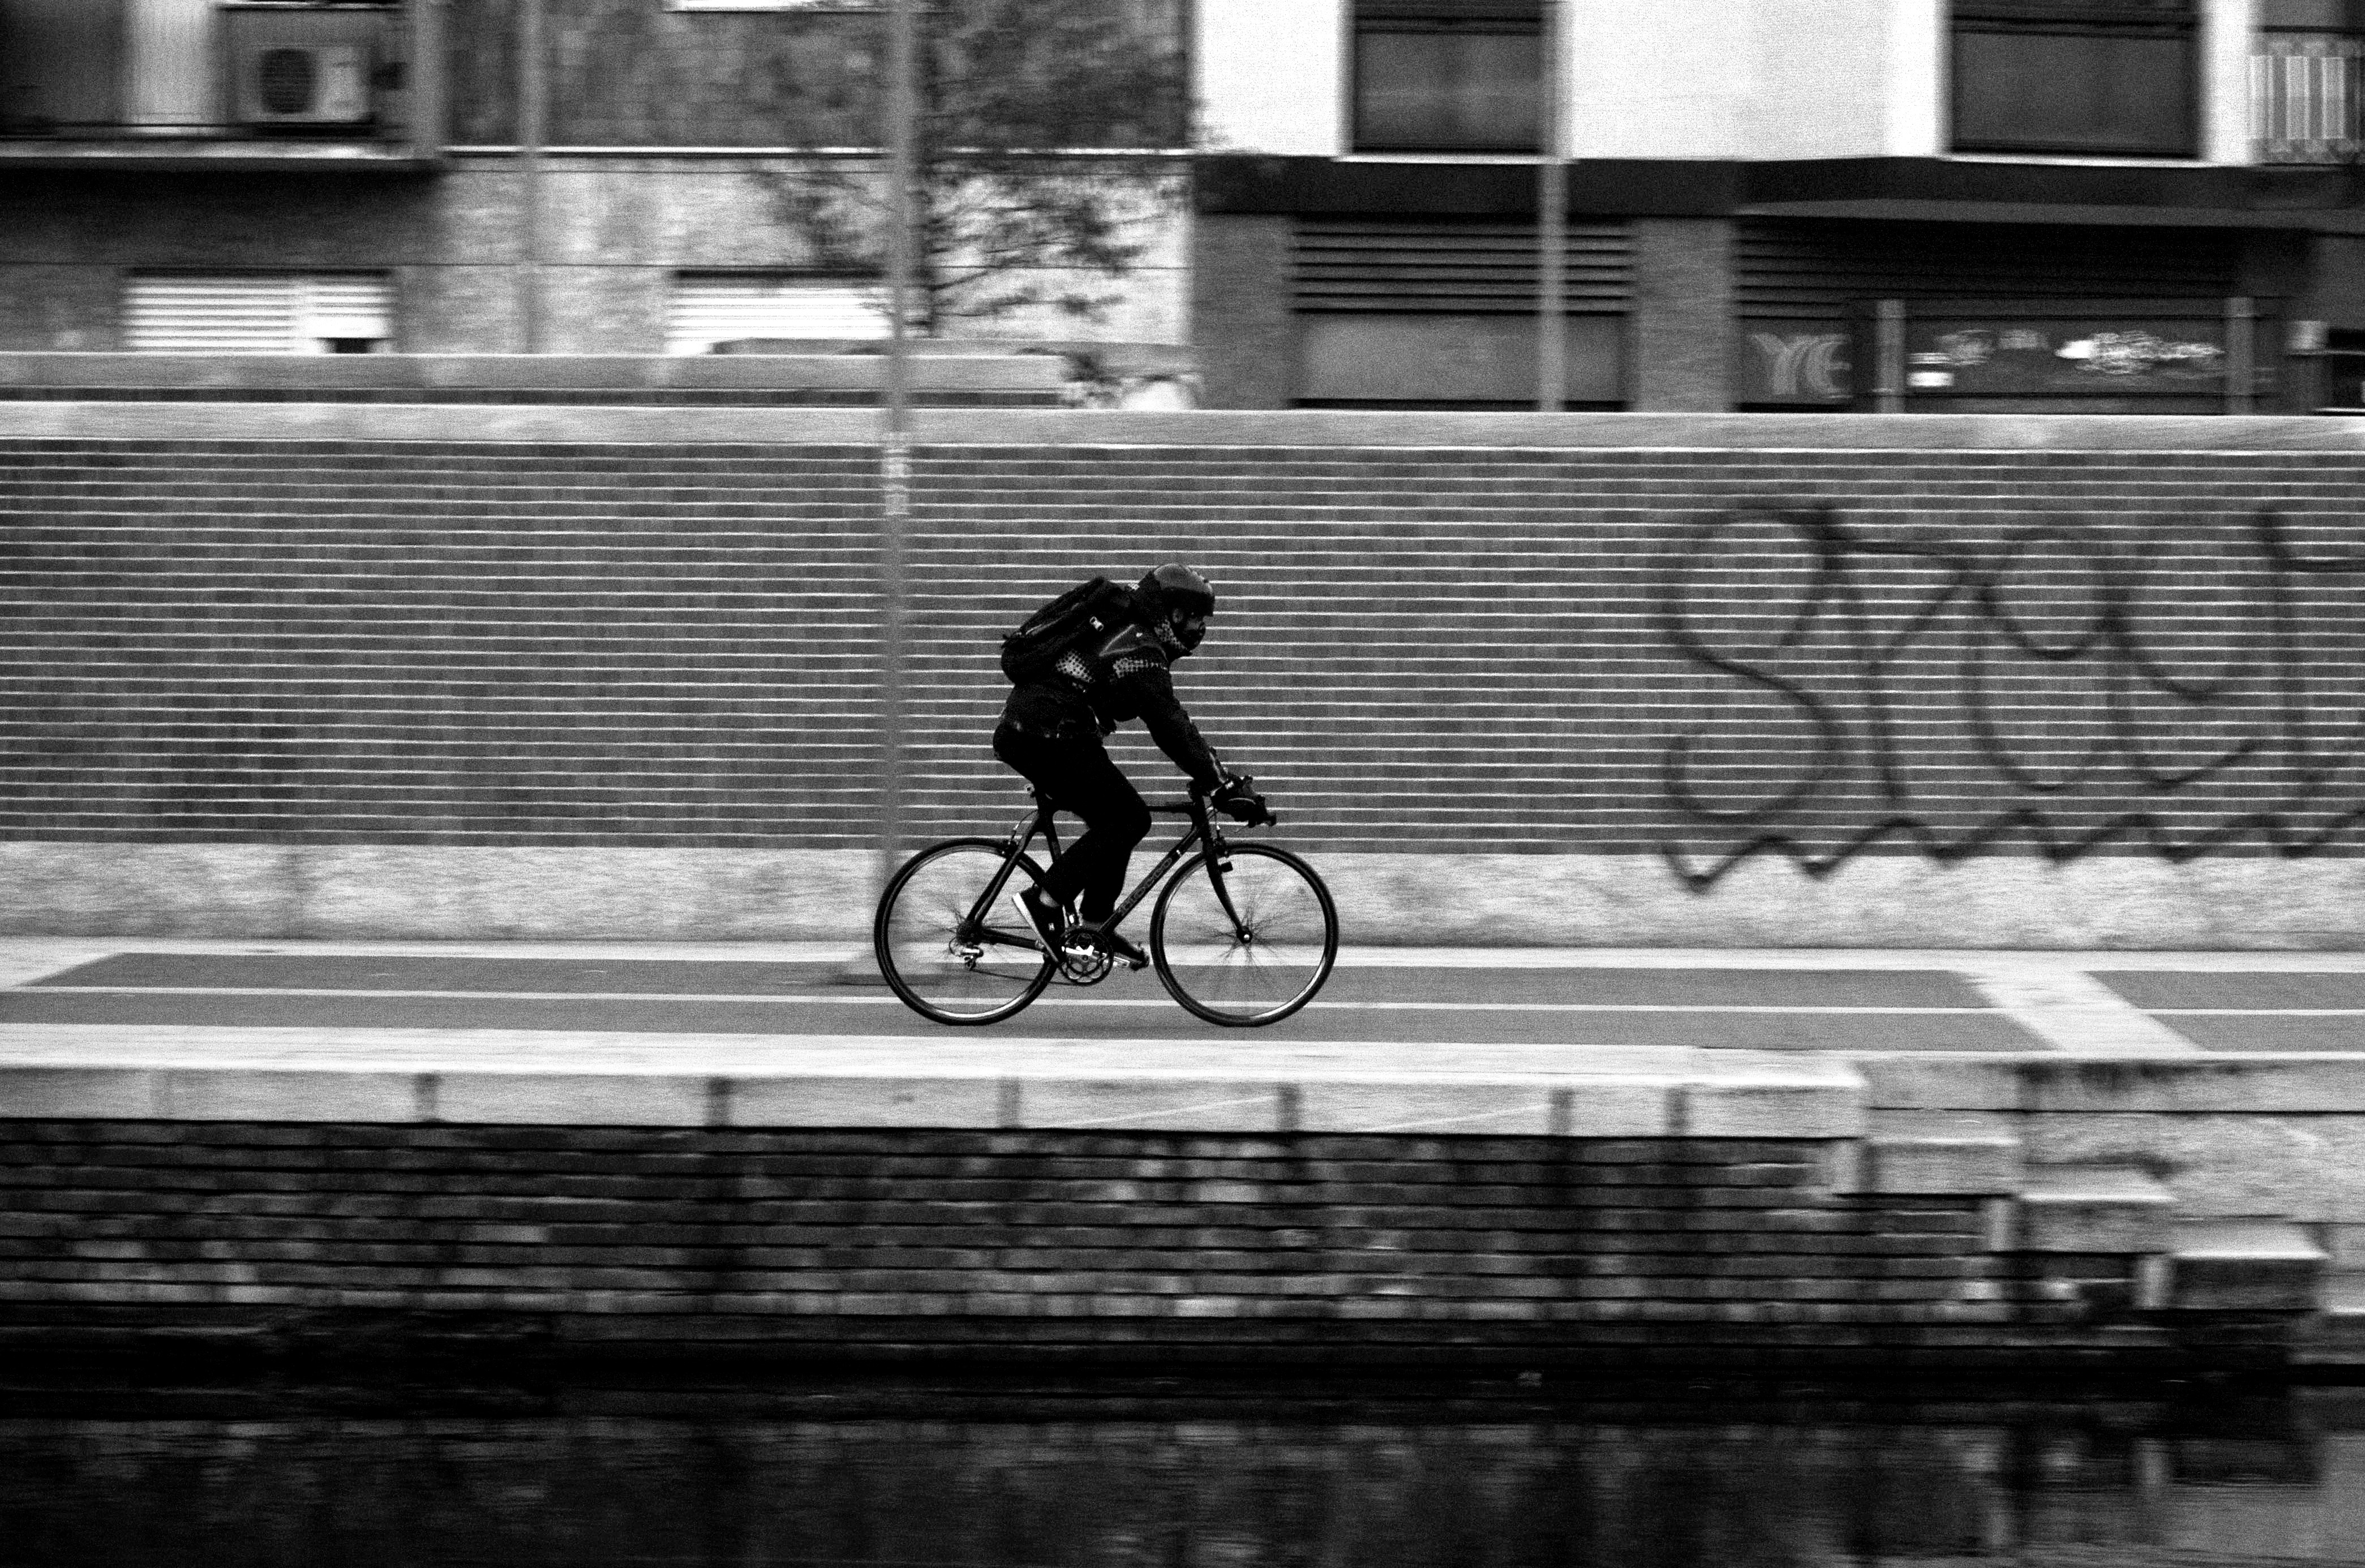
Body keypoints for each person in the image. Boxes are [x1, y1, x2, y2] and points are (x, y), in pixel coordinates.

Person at [993, 563, 1265, 964]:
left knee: (1118, 818)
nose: (1199, 629)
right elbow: (1170, 725)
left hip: (1048, 732)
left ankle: (1092, 928)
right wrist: (1220, 784)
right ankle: (1043, 902)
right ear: (1172, 613)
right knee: (1128, 818)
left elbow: (1148, 713)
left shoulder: (1127, 635)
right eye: (1195, 618)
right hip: (1043, 735)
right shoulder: (1136, 644)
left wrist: (1214, 778)